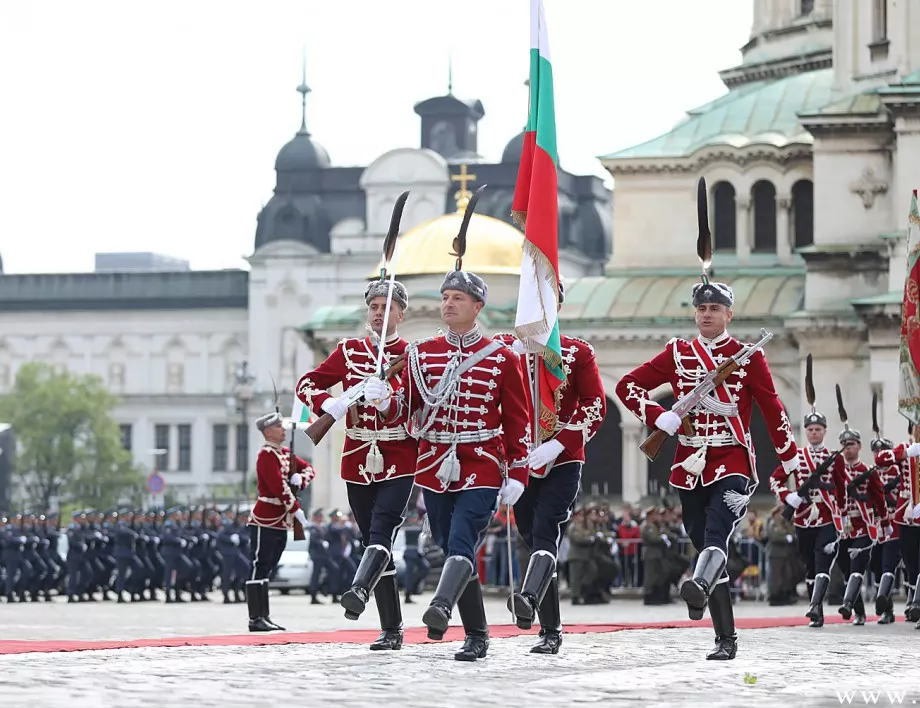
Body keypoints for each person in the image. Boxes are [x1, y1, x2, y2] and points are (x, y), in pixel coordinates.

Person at [367, 213, 531, 662]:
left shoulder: (500, 357)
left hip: (481, 460)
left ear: (478, 305)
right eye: (444, 297)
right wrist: (385, 401)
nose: (447, 304)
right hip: (434, 464)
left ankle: (441, 608)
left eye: (457, 297)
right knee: (446, 542)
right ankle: (477, 635)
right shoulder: (423, 353)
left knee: (463, 538)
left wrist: (517, 470)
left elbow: (518, 419)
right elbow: (411, 410)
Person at [615, 273, 799, 660]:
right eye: (701, 308)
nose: (706, 314)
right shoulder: (678, 353)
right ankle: (722, 631)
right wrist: (657, 415)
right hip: (689, 462)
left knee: (717, 533)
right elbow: (626, 386)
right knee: (702, 542)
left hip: (733, 460)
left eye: (714, 308)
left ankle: (703, 593)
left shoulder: (749, 357)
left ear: (729, 313)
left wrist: (789, 457)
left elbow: (772, 408)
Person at [295, 274, 418, 650]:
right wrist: (327, 403)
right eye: (374, 308)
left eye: (388, 308)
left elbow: (421, 406)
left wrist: (389, 400)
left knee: (381, 532)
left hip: (399, 457)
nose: (380, 314)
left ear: (401, 313)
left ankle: (359, 591)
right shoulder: (348, 351)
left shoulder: (413, 355)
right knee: (371, 540)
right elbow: (306, 382)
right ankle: (392, 628)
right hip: (358, 457)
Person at [493, 279, 606, 654]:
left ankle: (531, 603)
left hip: (563, 459)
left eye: (546, 298)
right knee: (532, 536)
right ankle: (549, 627)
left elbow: (595, 406)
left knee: (546, 530)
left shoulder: (576, 351)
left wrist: (560, 443)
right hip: (520, 459)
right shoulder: (503, 351)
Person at [768, 407, 840, 627]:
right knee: (809, 563)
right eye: (810, 429)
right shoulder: (796, 457)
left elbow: (843, 488)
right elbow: (774, 480)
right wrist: (788, 497)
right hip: (803, 517)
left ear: (825, 431)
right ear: (806, 432)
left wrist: (842, 517)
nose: (814, 433)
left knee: (822, 562)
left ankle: (816, 607)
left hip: (827, 517)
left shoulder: (833, 458)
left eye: (818, 429)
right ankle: (813, 603)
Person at [246, 410, 315, 632]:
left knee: (268, 568)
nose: (283, 429)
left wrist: (300, 479)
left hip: (279, 520)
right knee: (260, 565)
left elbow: (310, 470)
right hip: (265, 518)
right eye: (278, 427)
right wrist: (295, 508)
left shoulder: (284, 454)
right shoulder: (266, 455)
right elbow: (277, 486)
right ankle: (256, 617)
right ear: (268, 432)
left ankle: (264, 616)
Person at [830, 427, 889, 624]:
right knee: (847, 571)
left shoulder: (867, 471)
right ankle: (859, 612)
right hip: (844, 528)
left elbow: (879, 498)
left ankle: (848, 604)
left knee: (858, 567)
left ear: (859, 446)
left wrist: (885, 522)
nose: (848, 449)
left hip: (864, 526)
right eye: (845, 445)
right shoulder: (837, 471)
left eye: (852, 444)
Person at [874, 436, 920, 622]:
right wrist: (905, 453)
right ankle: (913, 602)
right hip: (906, 515)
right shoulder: (906, 449)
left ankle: (917, 605)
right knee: (911, 563)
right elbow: (880, 459)